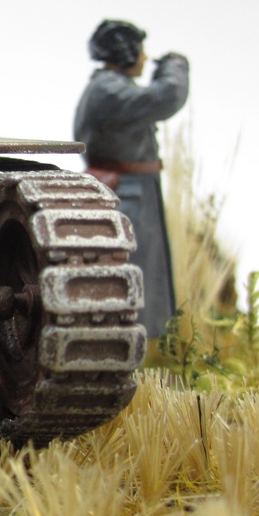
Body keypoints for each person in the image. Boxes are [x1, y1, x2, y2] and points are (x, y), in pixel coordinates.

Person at [73, 19, 189, 339]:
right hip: (126, 193)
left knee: (145, 271)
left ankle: (145, 339)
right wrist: (176, 66)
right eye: (139, 50)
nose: (144, 57)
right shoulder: (109, 90)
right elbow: (167, 95)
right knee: (133, 270)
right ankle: (126, 339)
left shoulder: (111, 86)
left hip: (134, 188)